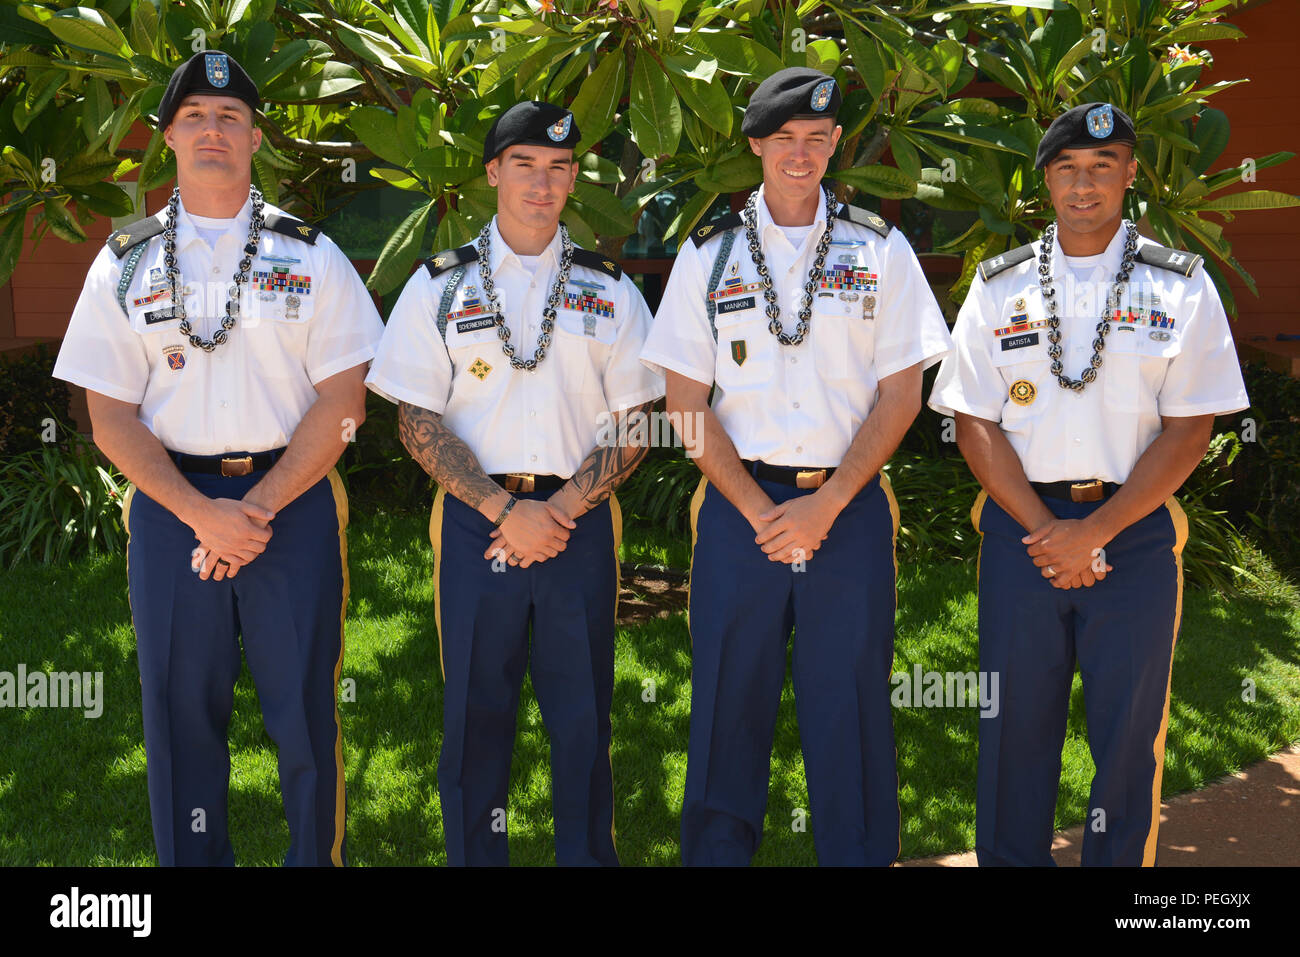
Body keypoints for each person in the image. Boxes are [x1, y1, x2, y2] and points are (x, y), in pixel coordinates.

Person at [52, 51, 384, 865]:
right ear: (167, 137)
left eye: (230, 117)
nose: (212, 130)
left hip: (292, 501)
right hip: (173, 510)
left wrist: (257, 509)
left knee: (305, 711)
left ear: (256, 137)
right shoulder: (122, 262)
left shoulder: (311, 256)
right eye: (195, 116)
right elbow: (108, 416)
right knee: (179, 714)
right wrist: (204, 514)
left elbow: (345, 406)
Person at [640, 68, 952, 866]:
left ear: (836, 144)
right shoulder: (707, 258)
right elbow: (683, 400)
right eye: (785, 139)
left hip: (845, 513)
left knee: (847, 705)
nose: (801, 153)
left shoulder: (881, 251)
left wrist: (829, 503)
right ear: (756, 146)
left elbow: (903, 395)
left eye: (818, 139)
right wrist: (754, 508)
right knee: (725, 704)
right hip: (740, 510)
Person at [928, 102, 1250, 866]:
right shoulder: (999, 286)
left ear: (1131, 174)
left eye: (1103, 167)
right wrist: (1049, 530)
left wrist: (1093, 532)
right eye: (1068, 168)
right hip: (1021, 532)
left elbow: (1189, 429)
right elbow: (974, 419)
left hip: (1132, 537)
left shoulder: (1180, 288)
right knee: (1013, 731)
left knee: (1128, 736)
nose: (1084, 185)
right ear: (1045, 179)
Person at [365, 101, 664, 866]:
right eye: (525, 164)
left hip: (581, 516)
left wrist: (559, 509)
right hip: (475, 521)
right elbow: (415, 418)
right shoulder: (437, 286)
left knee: (582, 718)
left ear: (573, 179)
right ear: (493, 172)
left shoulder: (612, 291)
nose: (543, 182)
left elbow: (639, 418)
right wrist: (503, 508)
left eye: (559, 167)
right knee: (475, 713)